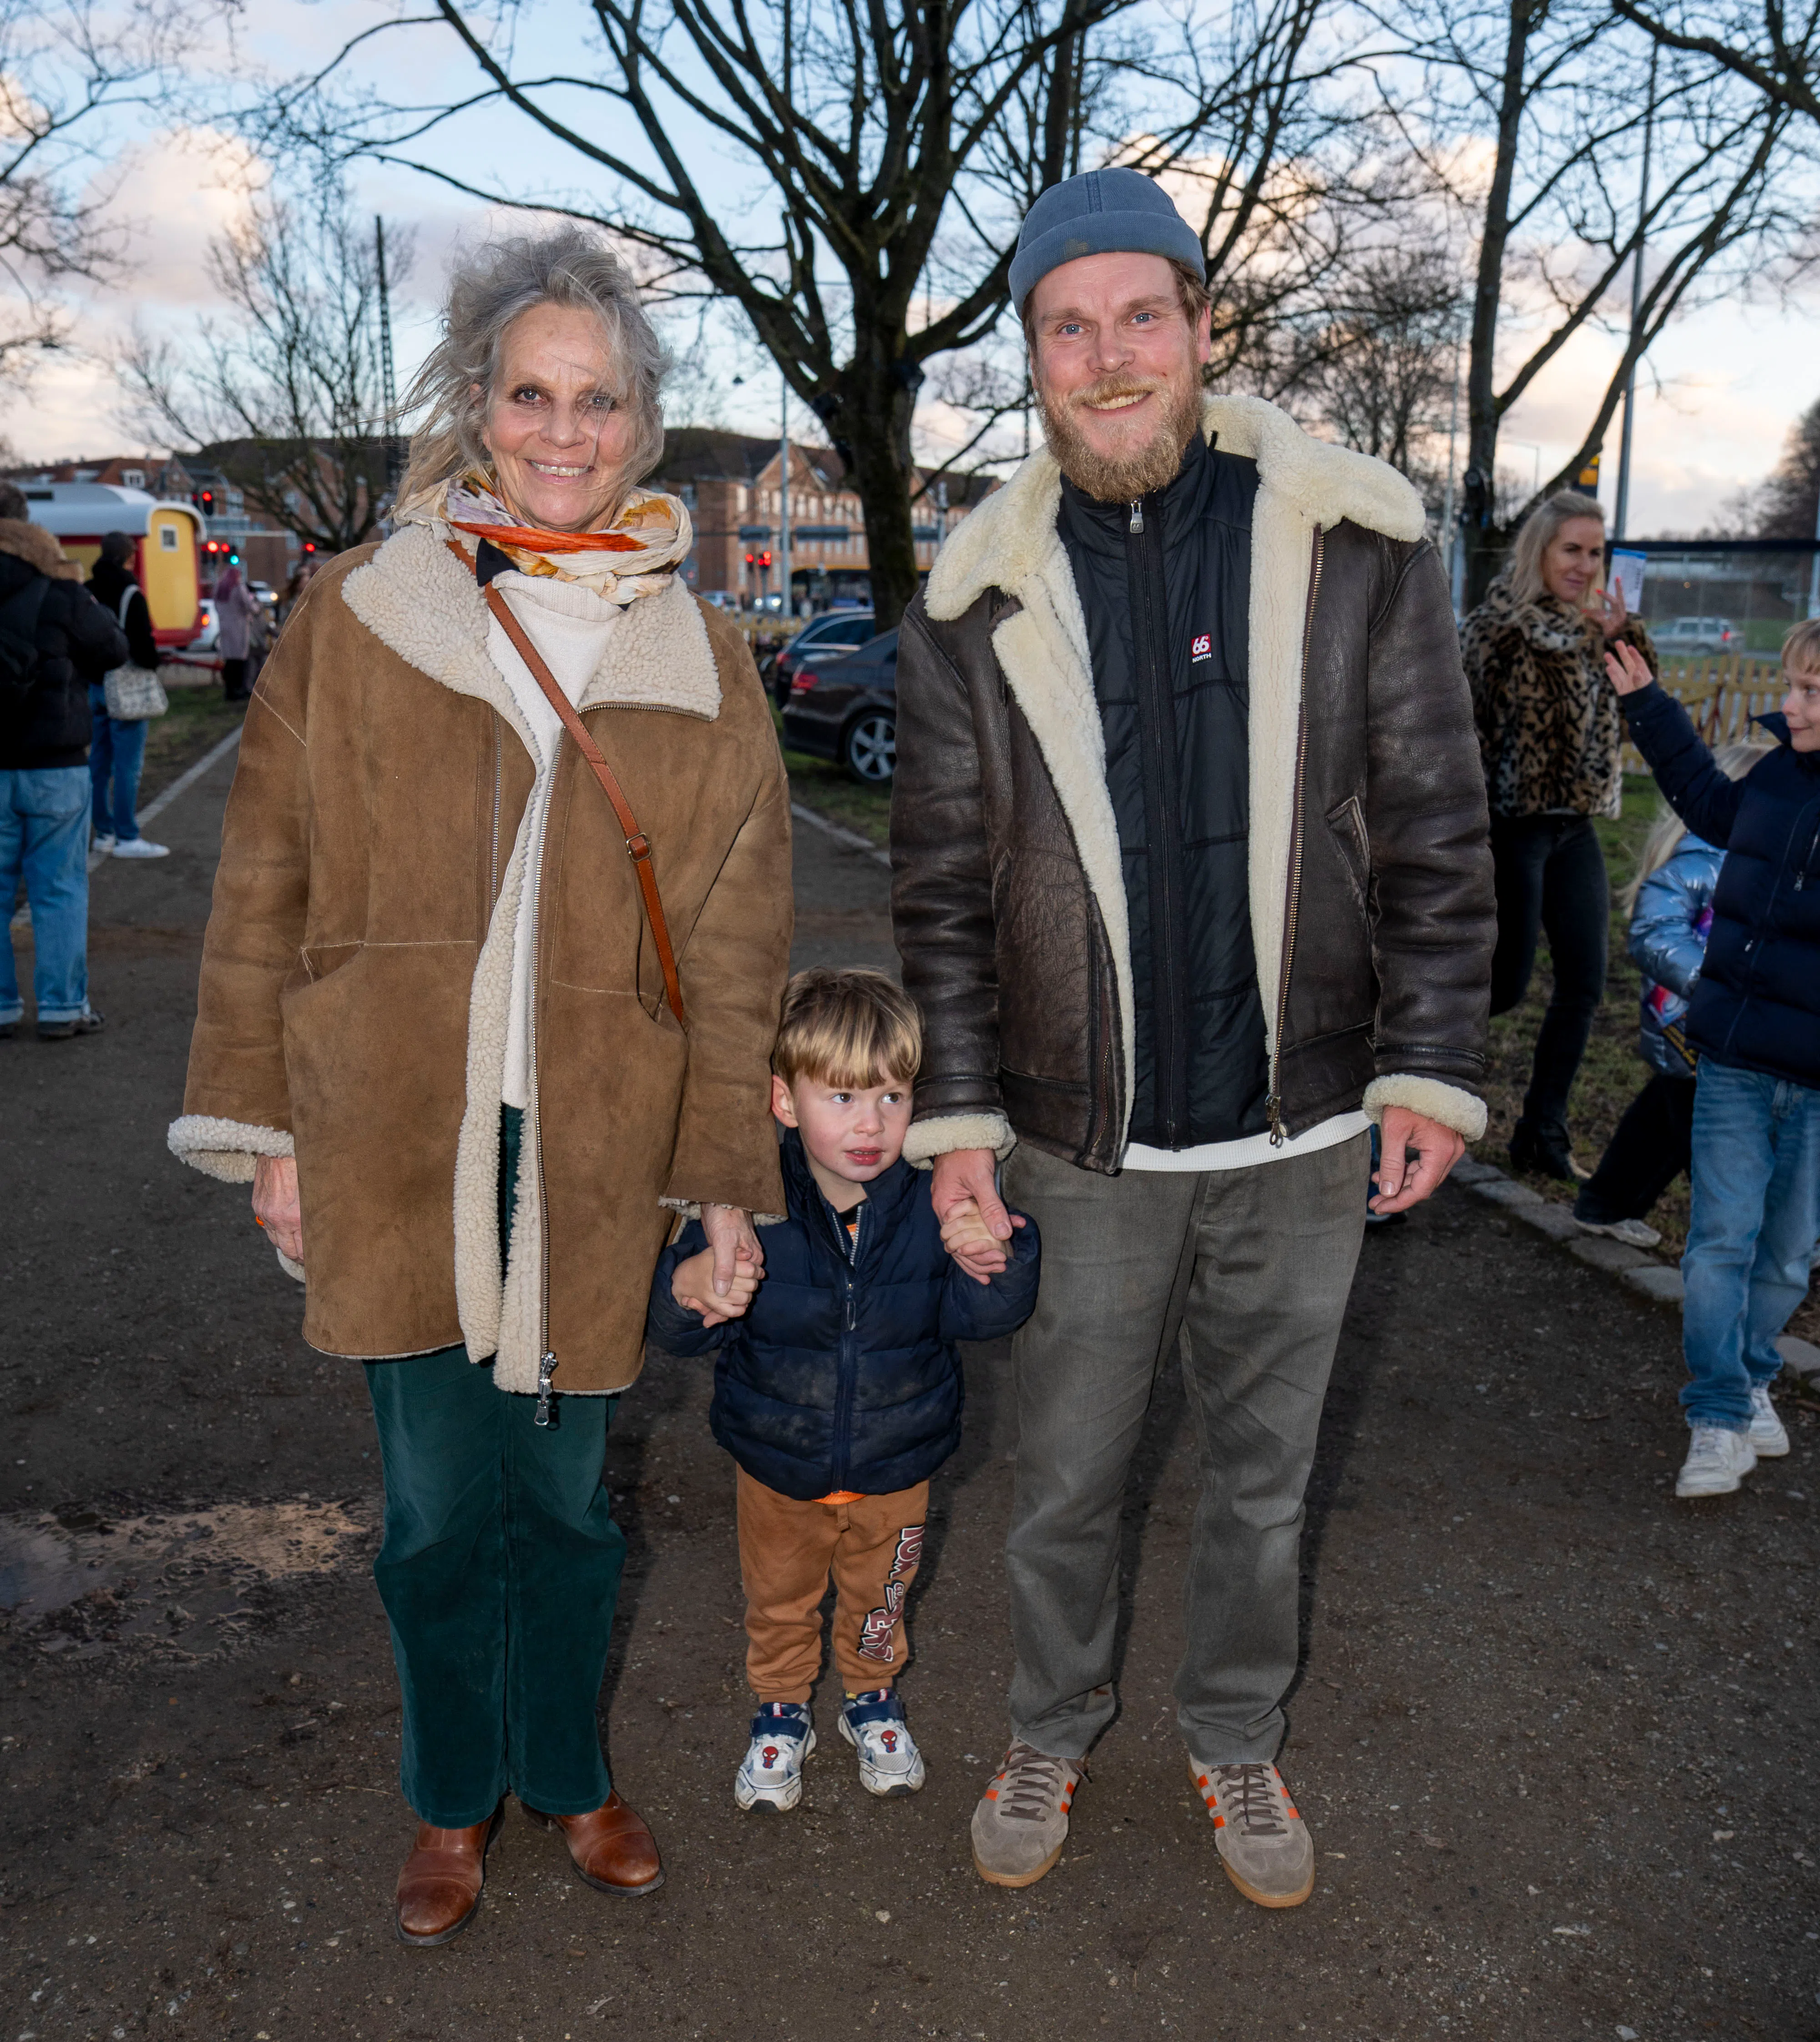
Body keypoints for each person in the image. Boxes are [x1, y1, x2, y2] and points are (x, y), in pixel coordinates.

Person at [166, 223, 795, 1944]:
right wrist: (268, 1134)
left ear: (641, 421)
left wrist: (722, 1175)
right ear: (476, 403)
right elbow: (263, 882)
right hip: (389, 1131)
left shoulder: (703, 657)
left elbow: (737, 948)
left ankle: (566, 1770)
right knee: (440, 1506)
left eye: (598, 399)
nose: (564, 430)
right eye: (531, 392)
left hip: (593, 1139)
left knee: (570, 1503)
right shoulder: (361, 615)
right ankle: (454, 1796)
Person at [890, 167, 1495, 1905]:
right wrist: (955, 1139)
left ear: (1200, 327)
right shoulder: (973, 600)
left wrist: (1428, 1068)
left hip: (1302, 1133)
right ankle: (1048, 1727)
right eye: (1064, 329)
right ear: (1031, 358)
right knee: (1063, 1481)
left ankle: (1235, 1743)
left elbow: (1436, 828)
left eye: (1136, 316)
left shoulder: (1353, 540)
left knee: (1258, 1485)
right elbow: (935, 895)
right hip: (1079, 1150)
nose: (1105, 357)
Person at [647, 968, 1040, 1815]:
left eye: (894, 1097)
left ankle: (872, 1695)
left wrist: (997, 1250)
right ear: (785, 1102)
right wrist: (689, 1285)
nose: (872, 1124)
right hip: (775, 1460)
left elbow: (986, 1316)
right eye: (845, 1098)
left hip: (898, 1460)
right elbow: (678, 1330)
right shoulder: (745, 1205)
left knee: (880, 1594)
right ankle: (782, 1707)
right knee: (780, 1598)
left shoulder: (928, 1204)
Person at [1608, 622, 1820, 1500]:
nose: (1789, 704)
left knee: (1787, 1256)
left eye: (1809, 690)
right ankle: (1719, 1414)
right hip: (1733, 1057)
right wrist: (1645, 704)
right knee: (1717, 1246)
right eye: (1792, 684)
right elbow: (1702, 795)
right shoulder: (1773, 777)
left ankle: (1755, 1372)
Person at [1461, 491, 1658, 1180]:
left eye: (1595, 552)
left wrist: (1623, 636)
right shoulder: (1496, 629)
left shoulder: (1599, 629)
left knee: (1585, 984)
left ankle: (1542, 1133)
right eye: (1571, 550)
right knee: (1504, 987)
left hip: (1576, 828)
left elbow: (1638, 715)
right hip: (1510, 829)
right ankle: (1408, 1085)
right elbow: (1460, 736)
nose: (1584, 565)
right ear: (1539, 551)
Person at [1572, 742, 1768, 1247]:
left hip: (1708, 1025)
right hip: (1692, 1022)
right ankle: (1757, 1233)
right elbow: (1654, 933)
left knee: (1662, 1119)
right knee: (1711, 1136)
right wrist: (1716, 981)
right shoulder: (1701, 860)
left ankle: (1606, 1203)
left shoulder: (1748, 859)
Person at [0, 482, 128, 1041]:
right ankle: (61, 1006)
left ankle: (2, 1007)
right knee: (59, 887)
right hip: (56, 764)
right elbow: (114, 650)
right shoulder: (58, 585)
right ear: (26, 521)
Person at [85, 531, 170, 860]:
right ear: (129, 557)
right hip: (127, 688)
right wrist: (156, 660)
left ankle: (102, 833)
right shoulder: (131, 594)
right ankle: (126, 836)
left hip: (96, 684)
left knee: (98, 763)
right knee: (127, 766)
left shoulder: (88, 592)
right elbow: (144, 649)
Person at [211, 561, 260, 701]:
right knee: (239, 660)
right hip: (239, 627)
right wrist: (257, 608)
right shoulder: (238, 587)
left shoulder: (220, 587)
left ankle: (229, 690)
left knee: (229, 660)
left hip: (225, 627)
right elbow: (248, 605)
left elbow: (216, 605)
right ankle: (239, 690)